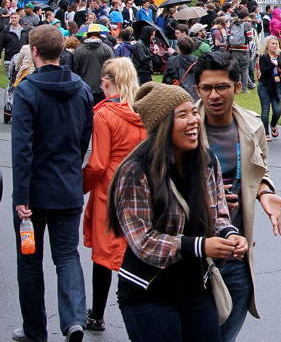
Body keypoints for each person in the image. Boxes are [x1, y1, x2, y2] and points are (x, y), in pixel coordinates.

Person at [108, 82, 247, 342]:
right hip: (148, 291)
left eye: (193, 112)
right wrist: (200, 247)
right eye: (182, 115)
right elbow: (143, 241)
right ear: (162, 125)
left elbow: (217, 214)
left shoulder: (206, 161)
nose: (194, 120)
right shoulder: (135, 171)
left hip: (196, 288)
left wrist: (229, 235)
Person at [192, 52, 281, 341]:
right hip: (193, 253)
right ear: (197, 89)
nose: (214, 95)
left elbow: (259, 170)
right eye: (206, 88)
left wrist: (265, 191)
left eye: (222, 87)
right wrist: (206, 195)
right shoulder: (181, 126)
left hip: (236, 250)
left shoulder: (252, 125)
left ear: (237, 87)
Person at [11, 25, 93, 342]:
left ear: (34, 51)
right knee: (67, 256)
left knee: (30, 261)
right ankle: (73, 319)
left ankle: (35, 329)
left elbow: (22, 149)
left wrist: (20, 195)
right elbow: (84, 137)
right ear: (62, 51)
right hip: (68, 185)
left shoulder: (27, 90)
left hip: (34, 190)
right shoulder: (82, 90)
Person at [81, 58, 145, 332]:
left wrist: (80, 187)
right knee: (138, 250)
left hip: (109, 188)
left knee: (104, 254)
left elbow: (97, 162)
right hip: (139, 188)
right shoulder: (143, 110)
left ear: (107, 81)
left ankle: (97, 314)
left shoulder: (104, 115)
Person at [72, 25, 114, 105]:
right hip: (102, 87)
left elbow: (76, 68)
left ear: (87, 35)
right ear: (99, 34)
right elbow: (111, 69)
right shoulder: (106, 49)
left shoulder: (79, 50)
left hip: (84, 87)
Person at [257, 36, 281, 140]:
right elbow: (264, 71)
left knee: (278, 110)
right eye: (273, 44)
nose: (275, 45)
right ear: (267, 45)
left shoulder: (279, 55)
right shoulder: (263, 56)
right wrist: (273, 65)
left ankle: (273, 125)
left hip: (277, 86)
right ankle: (265, 133)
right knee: (265, 110)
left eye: (276, 44)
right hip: (265, 86)